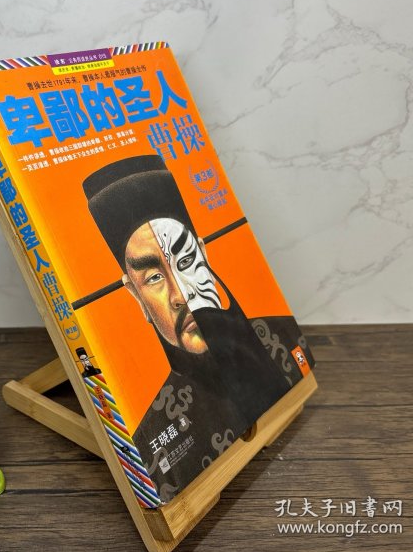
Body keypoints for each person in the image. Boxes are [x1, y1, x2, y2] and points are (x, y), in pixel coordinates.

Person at [83, 155, 313, 502]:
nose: (181, 296)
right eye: (154, 277)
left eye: (187, 261)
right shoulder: (150, 437)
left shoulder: (285, 336)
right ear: (135, 295)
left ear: (205, 254)